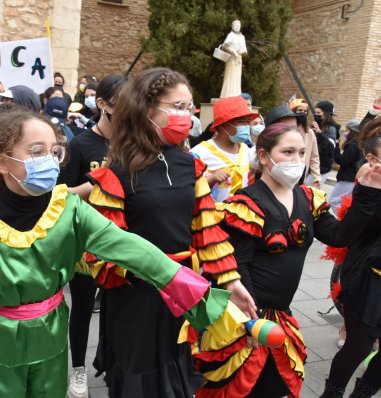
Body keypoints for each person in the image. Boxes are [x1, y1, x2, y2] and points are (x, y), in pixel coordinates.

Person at [0, 107, 250, 397]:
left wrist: (205, 300)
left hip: (51, 339)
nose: (49, 161)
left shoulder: (69, 211)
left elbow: (133, 250)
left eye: (55, 152)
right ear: (1, 161)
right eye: (36, 151)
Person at [87, 68, 255, 398]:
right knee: (140, 382)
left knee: (176, 374)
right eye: (177, 106)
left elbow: (207, 228)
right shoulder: (117, 171)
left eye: (189, 106)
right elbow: (101, 249)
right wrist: (159, 274)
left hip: (183, 298)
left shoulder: (189, 166)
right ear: (147, 109)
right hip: (136, 298)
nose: (187, 114)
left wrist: (231, 282)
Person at [193, 123, 381, 398]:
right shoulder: (245, 203)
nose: (297, 160)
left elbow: (341, 236)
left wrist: (368, 192)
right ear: (263, 156)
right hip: (247, 314)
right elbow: (239, 266)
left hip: (280, 315)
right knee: (239, 385)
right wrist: (251, 322)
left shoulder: (307, 198)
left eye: (301, 153)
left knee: (274, 383)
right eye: (288, 152)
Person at [57, 74, 128, 398]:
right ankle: (79, 370)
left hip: (122, 242)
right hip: (85, 244)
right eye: (122, 102)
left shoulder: (132, 143)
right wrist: (96, 184)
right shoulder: (81, 143)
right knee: (83, 309)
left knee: (117, 308)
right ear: (102, 104)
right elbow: (62, 194)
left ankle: (113, 364)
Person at [322, 116, 381, 398]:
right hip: (370, 279)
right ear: (373, 159)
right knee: (358, 346)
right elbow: (351, 235)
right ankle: (332, 395)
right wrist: (369, 189)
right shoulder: (370, 189)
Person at [190, 96, 258, 202]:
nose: (246, 126)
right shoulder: (198, 154)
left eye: (247, 122)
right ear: (223, 124)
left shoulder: (246, 150)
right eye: (241, 122)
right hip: (212, 217)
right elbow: (187, 192)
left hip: (244, 216)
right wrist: (210, 180)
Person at [327, 119, 363, 210]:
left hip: (347, 178)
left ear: (352, 131)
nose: (345, 132)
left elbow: (343, 160)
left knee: (334, 201)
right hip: (350, 178)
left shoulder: (353, 145)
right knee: (343, 202)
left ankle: (342, 221)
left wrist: (336, 148)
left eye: (347, 130)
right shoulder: (357, 144)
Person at [289, 98, 322, 188]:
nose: (302, 113)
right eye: (299, 110)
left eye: (305, 111)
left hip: (301, 173)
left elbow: (314, 157)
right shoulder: (285, 130)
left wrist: (317, 177)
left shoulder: (309, 133)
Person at [313, 100, 340, 185]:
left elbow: (330, 147)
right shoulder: (317, 126)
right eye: (315, 112)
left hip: (322, 168)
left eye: (318, 113)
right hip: (312, 166)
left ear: (326, 114)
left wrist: (319, 133)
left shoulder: (331, 129)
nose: (316, 115)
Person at [220, 20, 247, 98]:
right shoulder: (230, 35)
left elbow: (245, 50)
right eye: (235, 25)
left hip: (238, 59)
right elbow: (224, 46)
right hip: (231, 58)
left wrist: (240, 51)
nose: (237, 27)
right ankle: (228, 94)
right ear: (232, 26)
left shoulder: (242, 37)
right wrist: (233, 51)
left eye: (239, 25)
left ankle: (236, 94)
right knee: (230, 75)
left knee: (237, 77)